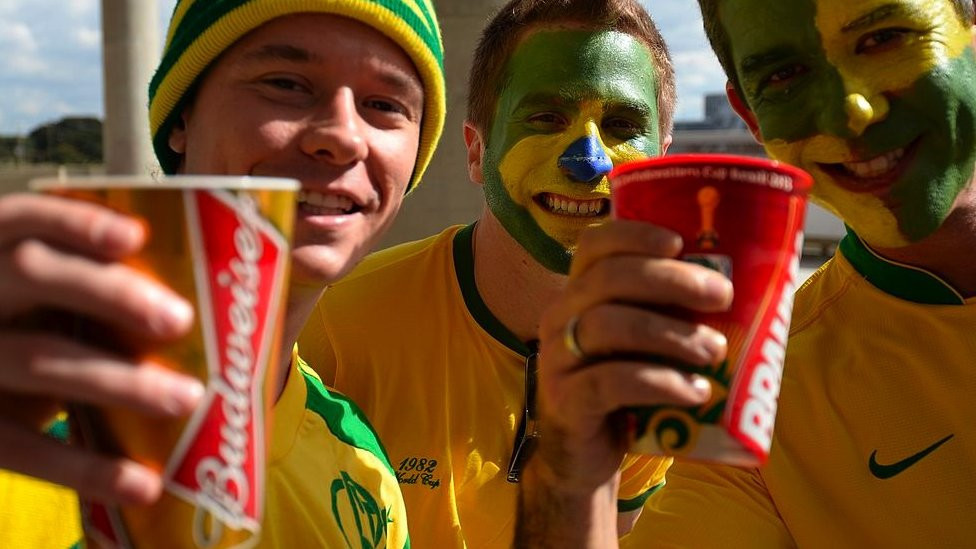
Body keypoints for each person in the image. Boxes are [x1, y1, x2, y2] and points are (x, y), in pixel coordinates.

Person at [518, 0, 976, 546]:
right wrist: (570, 481)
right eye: (784, 75)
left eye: (885, 39)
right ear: (751, 116)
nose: (848, 110)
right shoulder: (758, 396)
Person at [0, 0, 445, 546]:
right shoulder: (26, 396)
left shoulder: (365, 479)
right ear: (182, 119)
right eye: (285, 83)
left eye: (384, 104)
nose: (344, 135)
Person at [294, 0, 696, 546]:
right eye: (546, 118)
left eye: (622, 125)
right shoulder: (340, 323)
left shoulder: (662, 354)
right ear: (477, 150)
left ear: (662, 165)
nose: (588, 160)